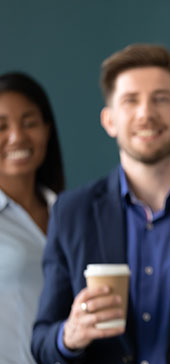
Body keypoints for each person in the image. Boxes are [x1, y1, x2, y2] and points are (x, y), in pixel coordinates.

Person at [31, 44, 170, 364]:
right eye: (130, 100)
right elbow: (41, 342)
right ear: (109, 120)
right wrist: (71, 334)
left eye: (161, 99)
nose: (145, 113)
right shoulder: (71, 212)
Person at [0, 72, 64, 364]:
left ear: (47, 129)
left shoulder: (69, 211)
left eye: (29, 123)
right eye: (1, 127)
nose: (17, 137)